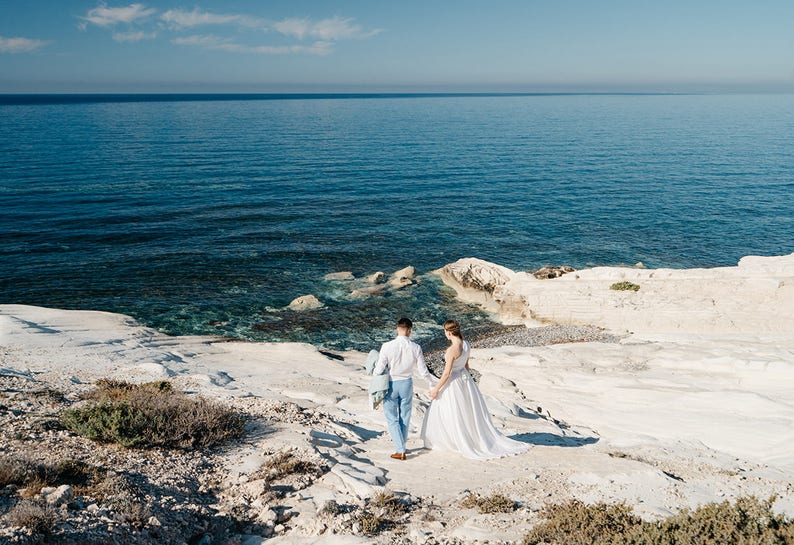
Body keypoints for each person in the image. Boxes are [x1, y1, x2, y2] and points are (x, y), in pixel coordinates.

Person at [420, 320, 529, 460]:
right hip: (465, 379)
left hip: (454, 381)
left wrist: (436, 389)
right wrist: (467, 382)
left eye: (444, 331)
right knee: (467, 410)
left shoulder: (451, 350)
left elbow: (446, 373)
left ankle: (454, 440)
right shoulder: (466, 344)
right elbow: (467, 366)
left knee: (450, 410)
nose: (444, 334)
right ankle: (468, 437)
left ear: (448, 332)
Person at [374, 317, 433, 460]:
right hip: (407, 383)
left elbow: (379, 370)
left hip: (391, 384)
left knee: (391, 417)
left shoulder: (386, 346)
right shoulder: (416, 347)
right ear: (410, 330)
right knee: (405, 416)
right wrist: (433, 383)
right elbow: (423, 371)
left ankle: (400, 450)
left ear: (397, 328)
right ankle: (402, 446)